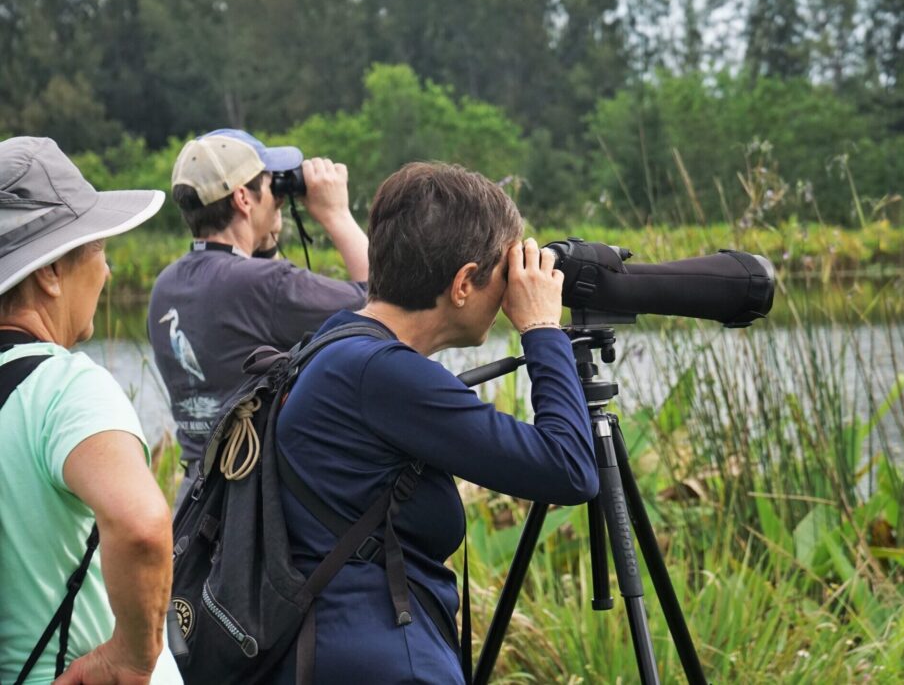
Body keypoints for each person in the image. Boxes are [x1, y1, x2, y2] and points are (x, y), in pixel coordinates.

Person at [273, 162, 600, 683]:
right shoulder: (383, 374)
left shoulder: (338, 339)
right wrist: (542, 328)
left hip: (320, 646)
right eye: (503, 271)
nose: (511, 288)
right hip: (377, 663)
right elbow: (570, 469)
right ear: (464, 282)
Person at [0, 137, 181, 684]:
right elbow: (143, 526)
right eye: (98, 248)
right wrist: (129, 656)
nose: (106, 273)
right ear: (50, 273)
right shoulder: (63, 387)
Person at [148, 129, 369, 509]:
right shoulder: (267, 285)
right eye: (272, 186)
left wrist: (262, 239)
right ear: (243, 198)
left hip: (195, 502)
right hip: (255, 508)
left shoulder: (166, 284)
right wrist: (337, 214)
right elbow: (382, 303)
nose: (280, 198)